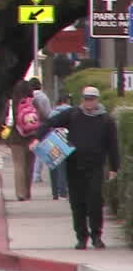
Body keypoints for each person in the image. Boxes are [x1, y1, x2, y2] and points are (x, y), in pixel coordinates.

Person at [34, 86, 120, 249]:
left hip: (95, 166)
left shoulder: (106, 120)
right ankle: (81, 237)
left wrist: (114, 167)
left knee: (95, 201)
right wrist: (38, 138)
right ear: (82, 99)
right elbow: (51, 122)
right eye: (86, 99)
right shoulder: (73, 114)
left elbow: (112, 145)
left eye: (92, 99)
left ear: (97, 100)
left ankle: (96, 235)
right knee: (77, 202)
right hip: (74, 166)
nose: (89, 102)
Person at [6, 79, 38, 201]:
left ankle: (20, 193)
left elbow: (8, 121)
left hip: (16, 137)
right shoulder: (34, 102)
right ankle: (28, 192)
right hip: (32, 137)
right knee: (30, 166)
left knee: (19, 165)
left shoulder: (12, 103)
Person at [48, 93, 72, 200]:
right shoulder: (72, 111)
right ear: (67, 101)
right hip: (68, 140)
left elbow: (48, 126)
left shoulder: (53, 112)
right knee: (65, 168)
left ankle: (55, 193)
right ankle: (64, 192)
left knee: (54, 166)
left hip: (55, 140)